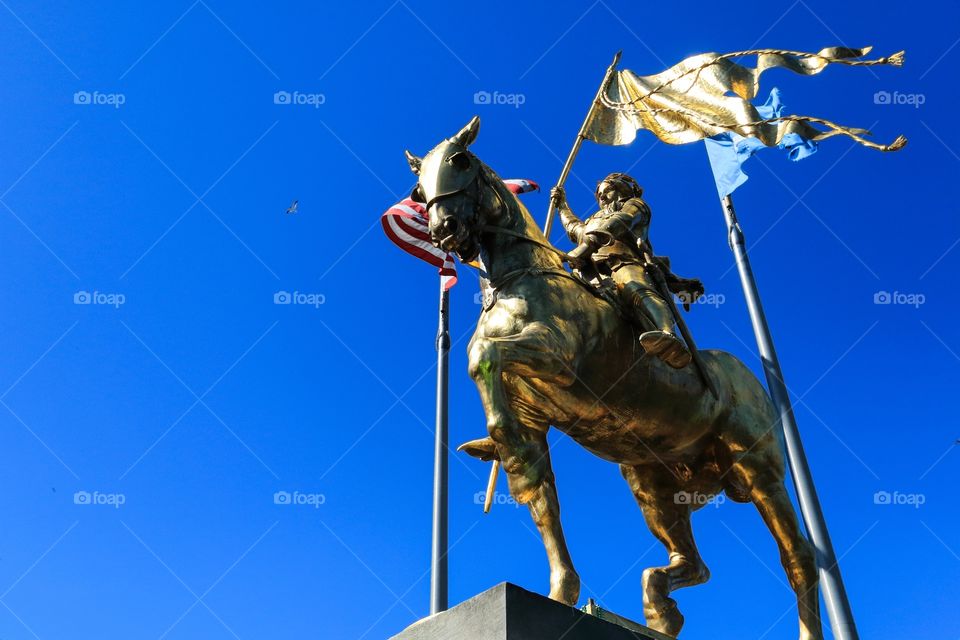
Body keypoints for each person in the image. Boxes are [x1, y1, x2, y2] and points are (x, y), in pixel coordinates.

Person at [551, 173, 703, 369]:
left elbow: (621, 221)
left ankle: (668, 337)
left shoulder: (636, 206)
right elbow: (575, 229)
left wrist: (586, 247)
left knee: (635, 288)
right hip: (589, 269)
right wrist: (562, 206)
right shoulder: (592, 220)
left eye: (608, 191)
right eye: (599, 195)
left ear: (622, 191)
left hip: (622, 263)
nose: (602, 197)